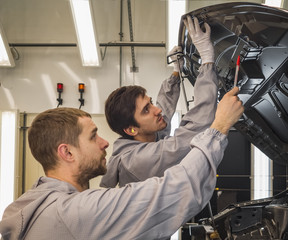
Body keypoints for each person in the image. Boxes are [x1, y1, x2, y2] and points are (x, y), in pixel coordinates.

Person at [0, 86, 244, 240]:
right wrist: (219, 127)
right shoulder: (75, 212)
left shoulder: (33, 205)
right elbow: (174, 190)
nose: (106, 143)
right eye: (93, 136)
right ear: (67, 153)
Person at [101, 16, 220, 188]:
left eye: (150, 103)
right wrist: (207, 61)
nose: (156, 110)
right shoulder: (137, 160)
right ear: (131, 129)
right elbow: (197, 126)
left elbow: (163, 107)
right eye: (146, 110)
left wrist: (176, 71)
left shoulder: (146, 136)